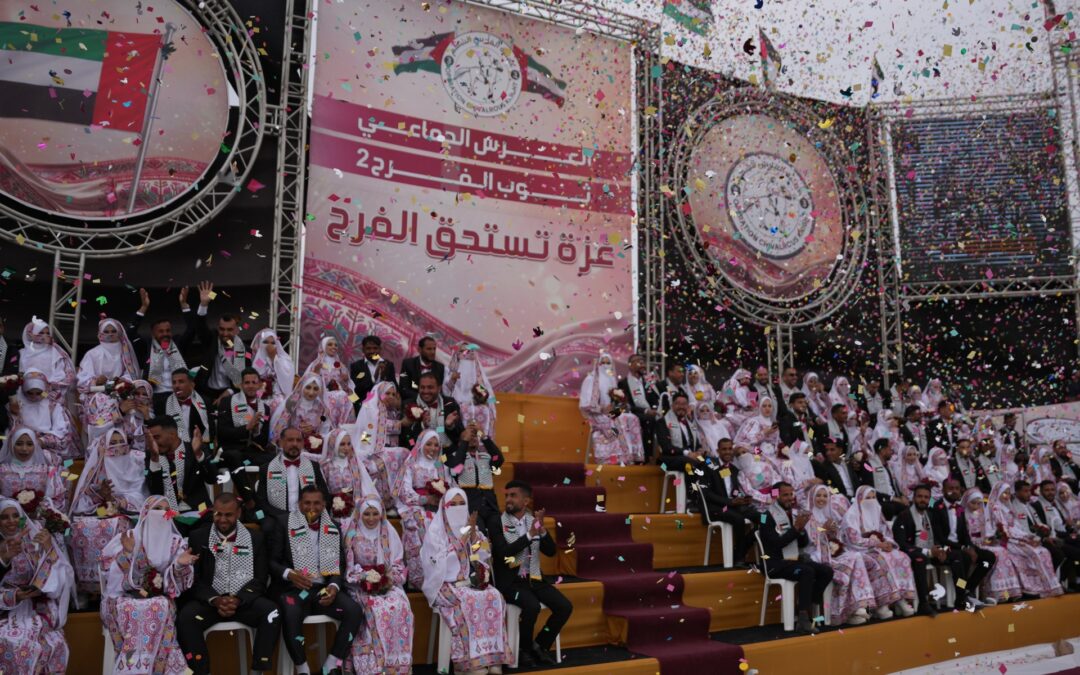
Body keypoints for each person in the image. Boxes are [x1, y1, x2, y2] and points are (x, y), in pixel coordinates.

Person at [179, 493, 279, 675]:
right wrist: (214, 599)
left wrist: (239, 599)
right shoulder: (198, 537)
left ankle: (258, 670)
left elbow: (260, 580)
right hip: (211, 602)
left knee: (272, 612)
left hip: (243, 602)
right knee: (185, 618)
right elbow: (194, 580)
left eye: (228, 515)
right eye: (218, 514)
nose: (223, 519)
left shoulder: (255, 538)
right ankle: (201, 672)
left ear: (239, 513)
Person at [268, 485, 363, 675]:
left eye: (317, 503)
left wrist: (334, 587)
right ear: (299, 504)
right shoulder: (282, 522)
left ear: (324, 504)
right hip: (294, 589)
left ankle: (330, 665)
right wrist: (290, 574)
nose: (312, 507)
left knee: (354, 611)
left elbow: (339, 564)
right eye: (307, 503)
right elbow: (272, 562)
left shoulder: (333, 526)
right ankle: (302, 669)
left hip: (323, 589)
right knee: (290, 612)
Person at [100, 495, 199, 674]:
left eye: (165, 510)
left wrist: (178, 565)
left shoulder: (176, 542)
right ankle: (135, 667)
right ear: (145, 513)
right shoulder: (130, 537)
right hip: (125, 598)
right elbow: (112, 574)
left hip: (160, 599)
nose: (161, 514)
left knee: (158, 605)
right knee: (144, 607)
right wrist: (129, 554)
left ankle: (149, 667)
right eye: (157, 509)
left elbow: (177, 585)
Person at [420, 487, 511, 674]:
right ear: (444, 507)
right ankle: (468, 662)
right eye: (453, 504)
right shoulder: (435, 532)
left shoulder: (473, 529)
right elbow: (435, 565)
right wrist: (462, 540)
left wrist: (474, 538)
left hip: (469, 583)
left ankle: (492, 656)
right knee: (467, 602)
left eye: (462, 504)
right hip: (443, 585)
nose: (458, 508)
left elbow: (483, 556)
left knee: (494, 596)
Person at [485, 481, 571, 668]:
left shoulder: (533, 521)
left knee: (564, 606)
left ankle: (539, 645)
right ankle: (523, 649)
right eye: (507, 495)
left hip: (534, 578)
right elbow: (504, 553)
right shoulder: (496, 521)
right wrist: (530, 535)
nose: (508, 499)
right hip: (510, 583)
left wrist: (542, 531)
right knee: (531, 606)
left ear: (525, 501)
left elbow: (550, 552)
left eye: (513, 496)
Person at [0, 497, 73, 674]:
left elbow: (60, 577)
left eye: (15, 516)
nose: (11, 521)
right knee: (13, 641)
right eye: (5, 517)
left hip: (38, 606)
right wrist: (4, 560)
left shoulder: (34, 539)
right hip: (7, 609)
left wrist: (48, 549)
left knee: (50, 642)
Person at [68, 428, 144, 594]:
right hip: (100, 514)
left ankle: (121, 582)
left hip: (128, 515)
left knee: (120, 524)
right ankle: (91, 587)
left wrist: (115, 500)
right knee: (81, 528)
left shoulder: (134, 464)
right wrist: (101, 496)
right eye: (113, 443)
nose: (118, 447)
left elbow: (139, 496)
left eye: (121, 442)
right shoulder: (97, 467)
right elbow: (83, 503)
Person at [343, 496, 414, 674]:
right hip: (359, 586)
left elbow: (398, 563)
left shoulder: (388, 531)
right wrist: (365, 577)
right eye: (367, 513)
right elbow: (348, 567)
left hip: (387, 584)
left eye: (375, 513)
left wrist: (389, 578)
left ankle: (396, 664)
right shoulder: (351, 534)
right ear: (359, 514)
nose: (371, 518)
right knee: (374, 609)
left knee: (400, 605)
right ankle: (372, 667)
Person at [758, 482, 833, 634]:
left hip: (793, 560)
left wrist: (802, 530)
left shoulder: (793, 514)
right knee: (807, 571)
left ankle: (805, 606)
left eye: (791, 494)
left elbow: (803, 543)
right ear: (775, 496)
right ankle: (803, 619)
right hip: (774, 563)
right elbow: (776, 544)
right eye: (785, 495)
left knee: (826, 571)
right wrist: (796, 529)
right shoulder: (765, 517)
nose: (790, 498)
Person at [840, 486, 917, 619]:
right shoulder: (851, 516)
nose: (871, 501)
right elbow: (854, 540)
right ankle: (883, 604)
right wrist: (876, 544)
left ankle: (900, 599)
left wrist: (887, 544)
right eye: (867, 498)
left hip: (878, 548)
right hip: (858, 550)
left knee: (901, 557)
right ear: (859, 500)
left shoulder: (877, 511)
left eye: (873, 498)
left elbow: (885, 533)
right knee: (880, 559)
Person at [803, 484, 874, 626]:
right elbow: (810, 540)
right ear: (812, 497)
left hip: (830, 553)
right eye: (818, 495)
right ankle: (848, 609)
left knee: (856, 557)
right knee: (851, 561)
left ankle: (855, 607)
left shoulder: (827, 515)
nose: (822, 499)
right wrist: (824, 530)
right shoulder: (807, 516)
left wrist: (833, 532)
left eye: (825, 496)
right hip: (814, 555)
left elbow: (836, 541)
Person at [127, 286, 202, 413]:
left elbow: (192, 329)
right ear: (153, 333)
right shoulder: (146, 345)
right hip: (155, 398)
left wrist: (184, 305)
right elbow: (130, 333)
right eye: (160, 331)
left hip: (179, 396)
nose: (165, 334)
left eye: (168, 330)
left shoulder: (178, 343)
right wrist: (143, 308)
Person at [395, 429, 454, 589]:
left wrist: (441, 500)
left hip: (438, 507)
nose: (433, 448)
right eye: (429, 444)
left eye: (436, 445)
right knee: (418, 522)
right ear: (421, 445)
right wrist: (426, 499)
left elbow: (451, 490)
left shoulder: (441, 467)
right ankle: (420, 579)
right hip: (416, 506)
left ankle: (442, 577)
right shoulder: (411, 464)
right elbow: (404, 491)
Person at [986, 482, 1063, 597]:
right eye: (1003, 493)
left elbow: (1017, 527)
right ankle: (1029, 589)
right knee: (1034, 553)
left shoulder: (1008, 508)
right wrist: (1023, 538)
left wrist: (1028, 537)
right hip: (1006, 541)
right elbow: (1004, 530)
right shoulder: (995, 509)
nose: (1006, 496)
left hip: (1015, 539)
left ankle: (1043, 586)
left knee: (1044, 552)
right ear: (998, 494)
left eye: (1008, 493)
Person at [145, 416, 217, 530]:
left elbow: (212, 478)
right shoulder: (152, 455)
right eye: (151, 439)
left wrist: (197, 454)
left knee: (201, 536)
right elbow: (155, 492)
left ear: (172, 434)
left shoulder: (195, 448)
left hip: (199, 513)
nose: (153, 442)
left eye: (157, 437)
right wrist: (155, 458)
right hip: (169, 515)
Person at [892, 485, 952, 615]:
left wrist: (941, 550)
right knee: (920, 559)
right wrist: (928, 552)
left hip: (929, 552)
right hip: (910, 554)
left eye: (926, 497)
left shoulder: (929, 515)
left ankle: (962, 591)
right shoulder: (904, 516)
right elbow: (901, 544)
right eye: (919, 496)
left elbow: (937, 538)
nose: (923, 500)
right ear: (913, 498)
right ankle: (924, 603)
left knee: (958, 557)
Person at [352, 381, 410, 513]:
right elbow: (367, 430)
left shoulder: (392, 411)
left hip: (387, 448)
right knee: (399, 454)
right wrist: (401, 424)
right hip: (369, 447)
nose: (390, 396)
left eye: (393, 394)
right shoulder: (370, 408)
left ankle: (392, 501)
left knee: (403, 455)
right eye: (387, 393)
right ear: (379, 394)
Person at [579, 352, 645, 465]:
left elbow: (614, 403)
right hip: (597, 414)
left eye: (608, 363)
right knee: (619, 420)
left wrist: (622, 406)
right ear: (598, 364)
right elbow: (585, 405)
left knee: (632, 418)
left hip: (610, 412)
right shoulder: (591, 380)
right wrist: (602, 409)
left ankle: (633, 456)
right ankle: (616, 458)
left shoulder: (612, 380)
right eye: (602, 362)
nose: (605, 365)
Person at [697, 438, 755, 565]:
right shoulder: (709, 465)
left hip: (733, 507)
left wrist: (743, 498)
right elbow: (706, 492)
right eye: (724, 449)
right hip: (716, 508)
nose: (728, 452)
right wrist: (730, 502)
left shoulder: (734, 469)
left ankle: (740, 550)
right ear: (718, 451)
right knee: (739, 519)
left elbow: (733, 491)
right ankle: (739, 557)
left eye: (730, 449)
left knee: (762, 518)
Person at [191, 282, 249, 406]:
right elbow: (200, 328)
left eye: (229, 330)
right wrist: (203, 305)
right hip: (206, 393)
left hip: (231, 394)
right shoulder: (211, 340)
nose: (225, 333)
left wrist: (229, 392)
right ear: (218, 328)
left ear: (237, 330)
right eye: (222, 329)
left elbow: (247, 378)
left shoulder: (245, 351)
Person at [961, 488, 1022, 602]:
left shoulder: (981, 514)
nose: (976, 506)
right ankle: (978, 591)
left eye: (979, 503)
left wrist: (990, 539)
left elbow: (986, 533)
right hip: (968, 547)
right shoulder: (962, 515)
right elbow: (964, 535)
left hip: (981, 545)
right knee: (994, 555)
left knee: (999, 553)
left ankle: (1004, 592)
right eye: (973, 503)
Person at [255, 427, 329, 520]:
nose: (295, 444)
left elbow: (324, 495)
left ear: (302, 444)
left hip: (308, 517)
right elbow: (261, 501)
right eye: (290, 440)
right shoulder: (266, 468)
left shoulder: (313, 467)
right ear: (281, 443)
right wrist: (284, 517)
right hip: (277, 518)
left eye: (298, 440)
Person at [6, 369, 80, 459]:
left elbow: (62, 432)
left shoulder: (52, 403)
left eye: (38, 393)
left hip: (48, 447)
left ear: (44, 389)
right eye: (30, 392)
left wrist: (42, 441)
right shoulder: (16, 404)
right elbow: (9, 430)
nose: (34, 396)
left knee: (59, 462)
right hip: (21, 446)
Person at [1019, 480, 1080, 584]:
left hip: (1062, 536)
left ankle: (1075, 579)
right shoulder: (1037, 506)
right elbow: (1045, 528)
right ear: (1041, 492)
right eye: (1046, 490)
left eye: (1052, 490)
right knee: (1076, 552)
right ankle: (1066, 581)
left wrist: (1070, 530)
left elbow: (1061, 525)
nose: (1050, 492)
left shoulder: (1054, 505)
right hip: (1052, 539)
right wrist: (1066, 535)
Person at [269, 373, 352, 450]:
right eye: (308, 387)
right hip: (291, 445)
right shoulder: (292, 404)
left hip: (312, 447)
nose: (311, 392)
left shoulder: (322, 409)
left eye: (315, 389)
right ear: (302, 387)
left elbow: (324, 430)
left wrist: (313, 432)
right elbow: (281, 427)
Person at [0, 427, 66, 518]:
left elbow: (58, 498)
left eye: (29, 444)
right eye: (19, 444)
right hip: (7, 522)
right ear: (11, 445)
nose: (24, 448)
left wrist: (39, 509)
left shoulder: (47, 471)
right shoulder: (2, 470)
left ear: (35, 446)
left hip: (38, 521)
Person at [217, 368, 272, 474]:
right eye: (247, 382)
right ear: (241, 385)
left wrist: (256, 431)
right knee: (236, 458)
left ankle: (261, 489)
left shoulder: (265, 409)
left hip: (250, 454)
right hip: (230, 450)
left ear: (259, 385)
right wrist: (246, 428)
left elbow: (263, 441)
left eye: (254, 382)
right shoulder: (227, 402)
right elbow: (222, 433)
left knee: (274, 459)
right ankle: (247, 491)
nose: (250, 385)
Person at [446, 421, 505, 517]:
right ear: (460, 442)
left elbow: (498, 459)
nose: (472, 437)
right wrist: (465, 443)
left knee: (497, 530)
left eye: (474, 436)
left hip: (490, 506)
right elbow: (457, 469)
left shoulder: (486, 457)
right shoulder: (454, 459)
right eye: (468, 436)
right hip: (470, 508)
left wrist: (482, 436)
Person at [320, 429, 377, 521]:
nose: (346, 448)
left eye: (348, 444)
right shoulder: (325, 466)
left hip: (354, 511)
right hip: (331, 511)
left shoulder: (355, 464)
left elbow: (372, 473)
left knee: (351, 534)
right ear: (333, 444)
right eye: (342, 444)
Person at [76, 317, 140, 400]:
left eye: (114, 331)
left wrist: (120, 381)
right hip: (96, 395)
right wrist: (96, 381)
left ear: (119, 333)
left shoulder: (125, 353)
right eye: (106, 332)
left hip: (121, 393)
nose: (110, 334)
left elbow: (132, 376)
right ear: (100, 334)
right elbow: (82, 382)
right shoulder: (92, 353)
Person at [399, 372, 463, 451]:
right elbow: (405, 437)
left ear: (439, 388)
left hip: (447, 453)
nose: (426, 391)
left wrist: (449, 426)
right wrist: (422, 427)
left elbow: (460, 435)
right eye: (422, 387)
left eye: (430, 387)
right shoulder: (408, 405)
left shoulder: (450, 403)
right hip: (417, 454)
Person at [17, 317, 75, 402]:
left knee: (50, 412)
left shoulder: (55, 353)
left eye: (47, 333)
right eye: (41, 333)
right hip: (24, 396)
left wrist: (44, 389)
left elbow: (62, 376)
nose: (45, 336)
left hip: (47, 395)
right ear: (31, 333)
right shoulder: (21, 353)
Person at [618, 353, 661, 460]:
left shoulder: (648, 381)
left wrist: (655, 408)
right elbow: (626, 405)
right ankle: (646, 456)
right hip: (633, 413)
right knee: (648, 419)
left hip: (651, 412)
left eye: (643, 362)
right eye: (638, 361)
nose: (642, 364)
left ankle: (663, 458)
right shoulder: (623, 383)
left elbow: (655, 398)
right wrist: (646, 410)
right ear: (630, 365)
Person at [302, 336, 356, 419]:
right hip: (322, 398)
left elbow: (348, 387)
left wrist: (345, 380)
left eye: (335, 345)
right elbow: (308, 383)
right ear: (323, 346)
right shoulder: (316, 364)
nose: (333, 347)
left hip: (340, 400)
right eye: (330, 344)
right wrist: (315, 373)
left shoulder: (340, 365)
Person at [249, 328, 295, 415]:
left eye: (273, 343)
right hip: (262, 394)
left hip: (279, 396)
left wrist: (274, 358)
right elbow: (256, 376)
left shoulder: (284, 359)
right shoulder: (259, 360)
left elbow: (287, 380)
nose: (269, 345)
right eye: (266, 342)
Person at [860, 438, 909, 519]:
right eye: (889, 448)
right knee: (892, 508)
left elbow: (893, 485)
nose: (891, 451)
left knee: (910, 506)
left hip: (892, 500)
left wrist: (901, 496)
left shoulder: (888, 466)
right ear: (882, 451)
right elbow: (869, 488)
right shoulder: (868, 465)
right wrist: (893, 499)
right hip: (880, 500)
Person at [444, 342, 495, 415]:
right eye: (462, 351)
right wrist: (452, 380)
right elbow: (445, 393)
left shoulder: (480, 384)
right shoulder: (450, 377)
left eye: (469, 352)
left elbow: (490, 401)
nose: (466, 354)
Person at [656, 393, 701, 475]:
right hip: (667, 461)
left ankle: (726, 487)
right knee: (692, 465)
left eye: (684, 404)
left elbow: (697, 444)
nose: (681, 407)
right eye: (678, 403)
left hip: (691, 457)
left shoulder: (690, 424)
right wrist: (687, 453)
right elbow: (666, 447)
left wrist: (700, 451)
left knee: (712, 463)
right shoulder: (662, 422)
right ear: (672, 405)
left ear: (687, 406)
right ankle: (693, 487)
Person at [350, 335, 397, 411]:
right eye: (368, 348)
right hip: (365, 402)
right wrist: (374, 377)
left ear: (380, 349)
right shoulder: (356, 366)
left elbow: (393, 384)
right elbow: (357, 389)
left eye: (375, 348)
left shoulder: (388, 365)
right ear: (363, 350)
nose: (372, 351)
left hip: (386, 402)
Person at [163, 367, 209, 445]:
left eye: (181, 382)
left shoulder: (204, 401)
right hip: (173, 447)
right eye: (174, 382)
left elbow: (210, 429)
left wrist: (210, 447)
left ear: (191, 384)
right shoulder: (165, 402)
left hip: (200, 446)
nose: (177, 386)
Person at [399, 336, 445, 400]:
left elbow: (438, 390)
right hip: (411, 402)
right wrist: (422, 399)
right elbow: (403, 388)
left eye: (434, 349)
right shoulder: (407, 364)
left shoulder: (440, 367)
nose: (433, 352)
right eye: (429, 349)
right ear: (420, 350)